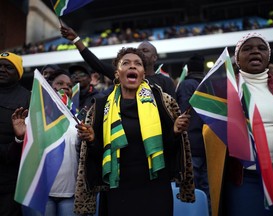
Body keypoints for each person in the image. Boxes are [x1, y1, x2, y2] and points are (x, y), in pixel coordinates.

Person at [74, 47, 195, 216]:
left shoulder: (162, 102)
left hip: (155, 189)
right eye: (126, 63)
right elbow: (96, 158)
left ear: (143, 74)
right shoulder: (100, 107)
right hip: (118, 189)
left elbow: (171, 152)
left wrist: (174, 132)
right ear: (117, 73)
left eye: (138, 64)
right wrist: (93, 140)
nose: (132, 67)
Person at [206, 32, 273, 216]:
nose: (255, 52)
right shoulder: (222, 90)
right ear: (237, 58)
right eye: (247, 48)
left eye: (261, 48)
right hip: (243, 178)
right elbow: (208, 128)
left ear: (268, 56)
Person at [17, 69, 80, 216]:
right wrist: (19, 138)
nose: (65, 87)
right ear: (49, 88)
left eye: (69, 85)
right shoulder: (33, 119)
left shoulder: (78, 120)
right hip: (40, 194)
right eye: (60, 83)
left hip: (70, 194)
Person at [60, 25, 176, 98]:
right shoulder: (122, 75)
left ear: (154, 57)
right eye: (138, 51)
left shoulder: (165, 82)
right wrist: (76, 40)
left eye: (145, 51)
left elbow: (172, 111)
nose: (141, 54)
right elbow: (96, 63)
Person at [176, 54, 211, 214]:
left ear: (188, 69)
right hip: (210, 143)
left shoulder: (186, 85)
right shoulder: (209, 83)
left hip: (192, 144)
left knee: (193, 188)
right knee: (208, 187)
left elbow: (184, 114)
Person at [0, 52, 31, 216]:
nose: (2, 69)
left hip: (12, 179)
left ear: (18, 72)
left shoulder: (28, 98)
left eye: (8, 67)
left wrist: (19, 138)